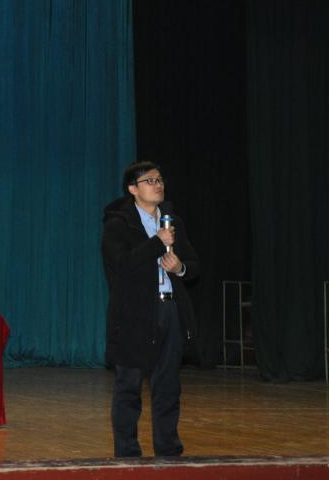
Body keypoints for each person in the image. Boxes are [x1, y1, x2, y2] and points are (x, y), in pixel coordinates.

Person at [101, 161, 200, 457]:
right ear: (133, 189)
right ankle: (128, 454)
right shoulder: (118, 224)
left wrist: (180, 268)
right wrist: (157, 243)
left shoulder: (172, 222)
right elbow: (121, 265)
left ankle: (168, 451)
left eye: (160, 180)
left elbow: (195, 265)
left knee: (168, 386)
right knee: (129, 386)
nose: (158, 185)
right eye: (149, 181)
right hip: (134, 314)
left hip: (169, 309)